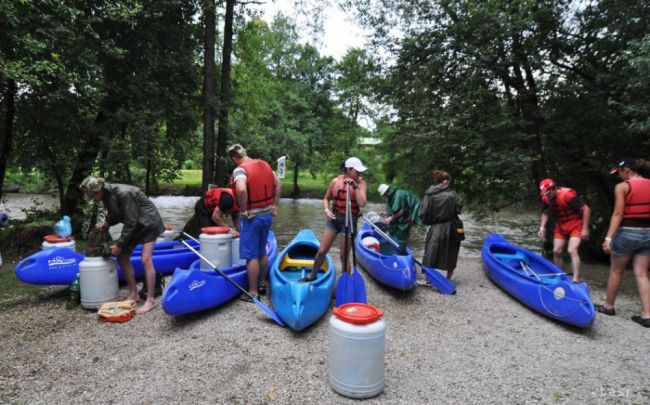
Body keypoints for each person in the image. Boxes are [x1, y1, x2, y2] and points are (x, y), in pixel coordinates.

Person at [79, 176, 164, 314]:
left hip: (149, 224)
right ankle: (133, 293)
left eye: (93, 194)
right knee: (122, 257)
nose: (93, 198)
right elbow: (115, 213)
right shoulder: (106, 195)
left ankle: (150, 301)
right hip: (135, 225)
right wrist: (107, 222)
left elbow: (131, 221)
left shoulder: (124, 193)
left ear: (98, 189)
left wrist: (119, 244)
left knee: (145, 259)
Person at [598, 158, 650, 328]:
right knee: (642, 273)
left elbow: (618, 213)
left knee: (616, 271)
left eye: (619, 172)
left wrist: (608, 238)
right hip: (648, 234)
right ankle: (647, 315)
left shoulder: (622, 187)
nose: (619, 176)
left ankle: (608, 306)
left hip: (628, 232)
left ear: (626, 170)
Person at [299, 157, 368, 282]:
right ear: (348, 169)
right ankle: (312, 276)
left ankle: (346, 283)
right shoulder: (335, 181)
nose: (359, 174)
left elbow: (362, 203)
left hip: (349, 221)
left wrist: (356, 187)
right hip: (334, 219)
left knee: (343, 255)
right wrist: (327, 210)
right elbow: (326, 198)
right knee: (322, 251)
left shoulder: (361, 183)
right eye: (357, 171)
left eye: (360, 172)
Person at [227, 144, 281, 300]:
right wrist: (274, 206)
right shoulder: (264, 165)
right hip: (267, 216)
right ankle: (263, 283)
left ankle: (253, 293)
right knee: (262, 252)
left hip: (252, 218)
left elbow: (241, 189)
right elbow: (278, 184)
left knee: (251, 256)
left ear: (234, 158)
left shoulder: (240, 170)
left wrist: (243, 211)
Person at [538, 178, 591, 282]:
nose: (547, 195)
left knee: (572, 250)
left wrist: (585, 228)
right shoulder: (546, 198)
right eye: (545, 193)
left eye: (548, 192)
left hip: (576, 223)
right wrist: (542, 227)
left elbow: (586, 209)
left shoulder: (567, 195)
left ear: (554, 188)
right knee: (556, 251)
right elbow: (545, 212)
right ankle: (559, 275)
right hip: (561, 224)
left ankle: (576, 278)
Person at [418, 170, 462, 280]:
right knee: (452, 251)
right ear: (446, 181)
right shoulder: (453, 194)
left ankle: (428, 278)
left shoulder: (429, 194)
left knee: (431, 251)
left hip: (436, 226)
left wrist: (429, 222)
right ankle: (448, 278)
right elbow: (459, 208)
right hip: (452, 226)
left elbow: (423, 212)